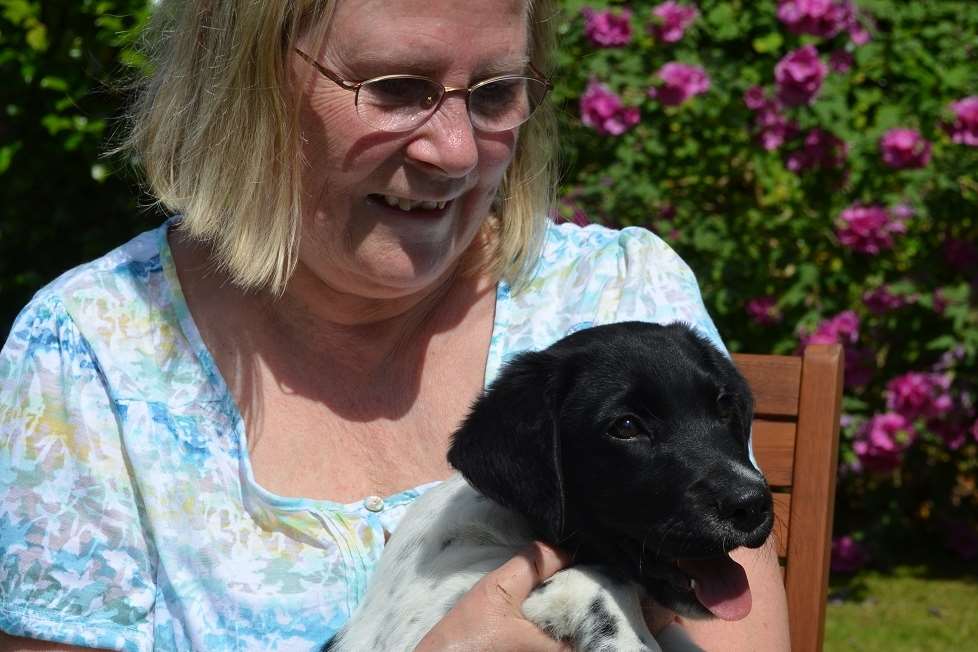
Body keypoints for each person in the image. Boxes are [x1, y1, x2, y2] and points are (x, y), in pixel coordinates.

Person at [0, 0, 791, 649]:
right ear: (244, 83)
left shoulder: (618, 297)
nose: (453, 152)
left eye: (493, 93)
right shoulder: (90, 360)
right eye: (395, 87)